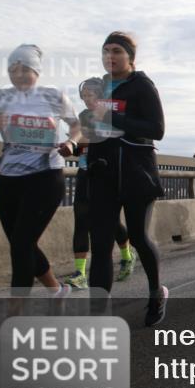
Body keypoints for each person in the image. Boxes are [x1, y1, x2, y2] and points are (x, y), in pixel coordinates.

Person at [0, 44, 80, 295]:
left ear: (36, 71)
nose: (18, 73)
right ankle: (56, 291)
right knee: (22, 244)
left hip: (46, 177)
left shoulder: (53, 95)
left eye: (24, 68)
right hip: (9, 180)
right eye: (12, 69)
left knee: (21, 244)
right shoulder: (0, 97)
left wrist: (71, 142)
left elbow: (78, 126)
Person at [86, 32, 168, 326]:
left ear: (130, 57)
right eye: (106, 51)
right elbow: (92, 125)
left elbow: (156, 129)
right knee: (101, 244)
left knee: (140, 238)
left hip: (136, 174)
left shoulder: (142, 85)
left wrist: (112, 118)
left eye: (117, 51)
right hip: (103, 173)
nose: (110, 56)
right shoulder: (98, 87)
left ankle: (156, 292)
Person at [65, 77, 134, 289]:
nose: (86, 100)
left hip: (107, 174)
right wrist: (73, 144)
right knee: (81, 220)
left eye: (90, 95)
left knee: (111, 222)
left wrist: (84, 138)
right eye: (84, 96)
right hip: (86, 171)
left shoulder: (110, 115)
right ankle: (80, 273)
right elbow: (79, 144)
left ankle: (127, 255)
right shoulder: (84, 116)